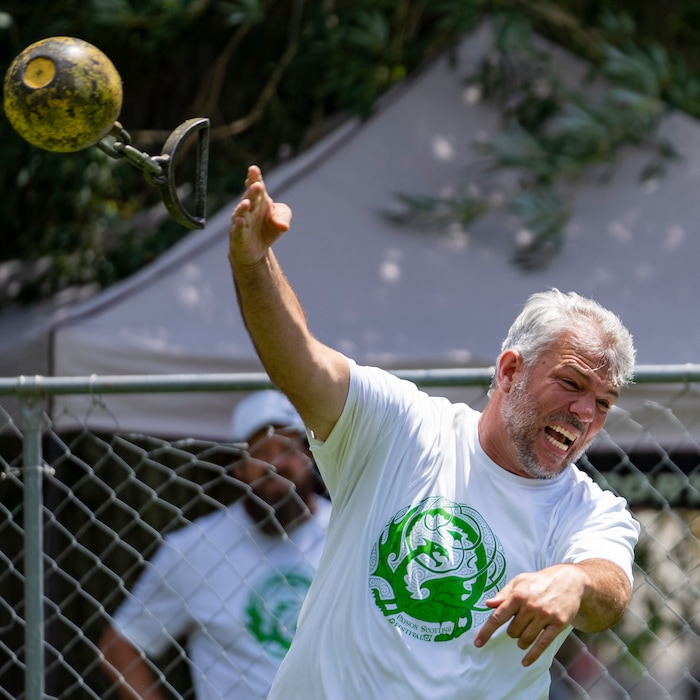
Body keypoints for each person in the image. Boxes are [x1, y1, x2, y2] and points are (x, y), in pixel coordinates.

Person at [227, 165, 641, 699]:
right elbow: (302, 364)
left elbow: (611, 588)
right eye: (570, 383)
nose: (586, 412)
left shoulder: (589, 510)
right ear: (509, 371)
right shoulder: (403, 427)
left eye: (603, 402)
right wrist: (253, 263)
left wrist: (575, 581)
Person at [97, 390, 331, 700]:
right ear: (237, 467)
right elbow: (119, 646)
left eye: (288, 448)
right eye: (260, 452)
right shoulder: (194, 549)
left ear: (310, 455)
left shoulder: (350, 531)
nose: (275, 464)